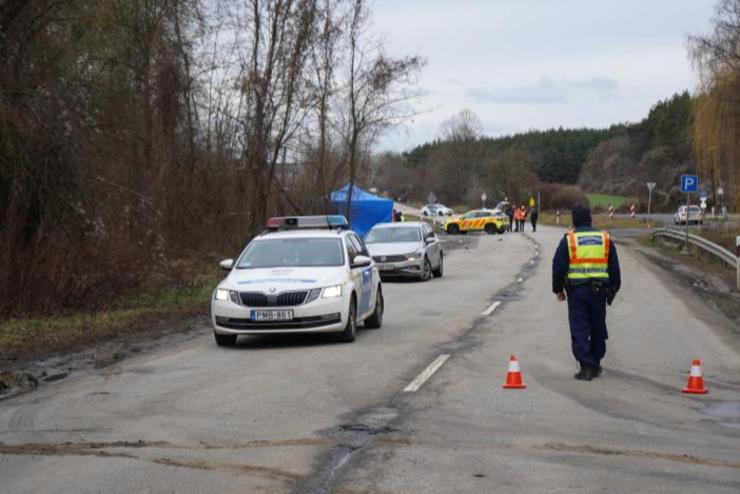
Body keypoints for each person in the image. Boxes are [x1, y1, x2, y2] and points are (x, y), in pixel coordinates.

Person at [552, 204, 621, 381]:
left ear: (574, 220)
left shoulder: (569, 240)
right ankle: (596, 363)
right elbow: (614, 267)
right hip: (600, 292)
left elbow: (558, 266)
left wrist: (558, 289)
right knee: (598, 326)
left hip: (577, 292)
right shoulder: (605, 238)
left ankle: (586, 367)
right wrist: (613, 289)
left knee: (580, 328)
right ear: (590, 218)